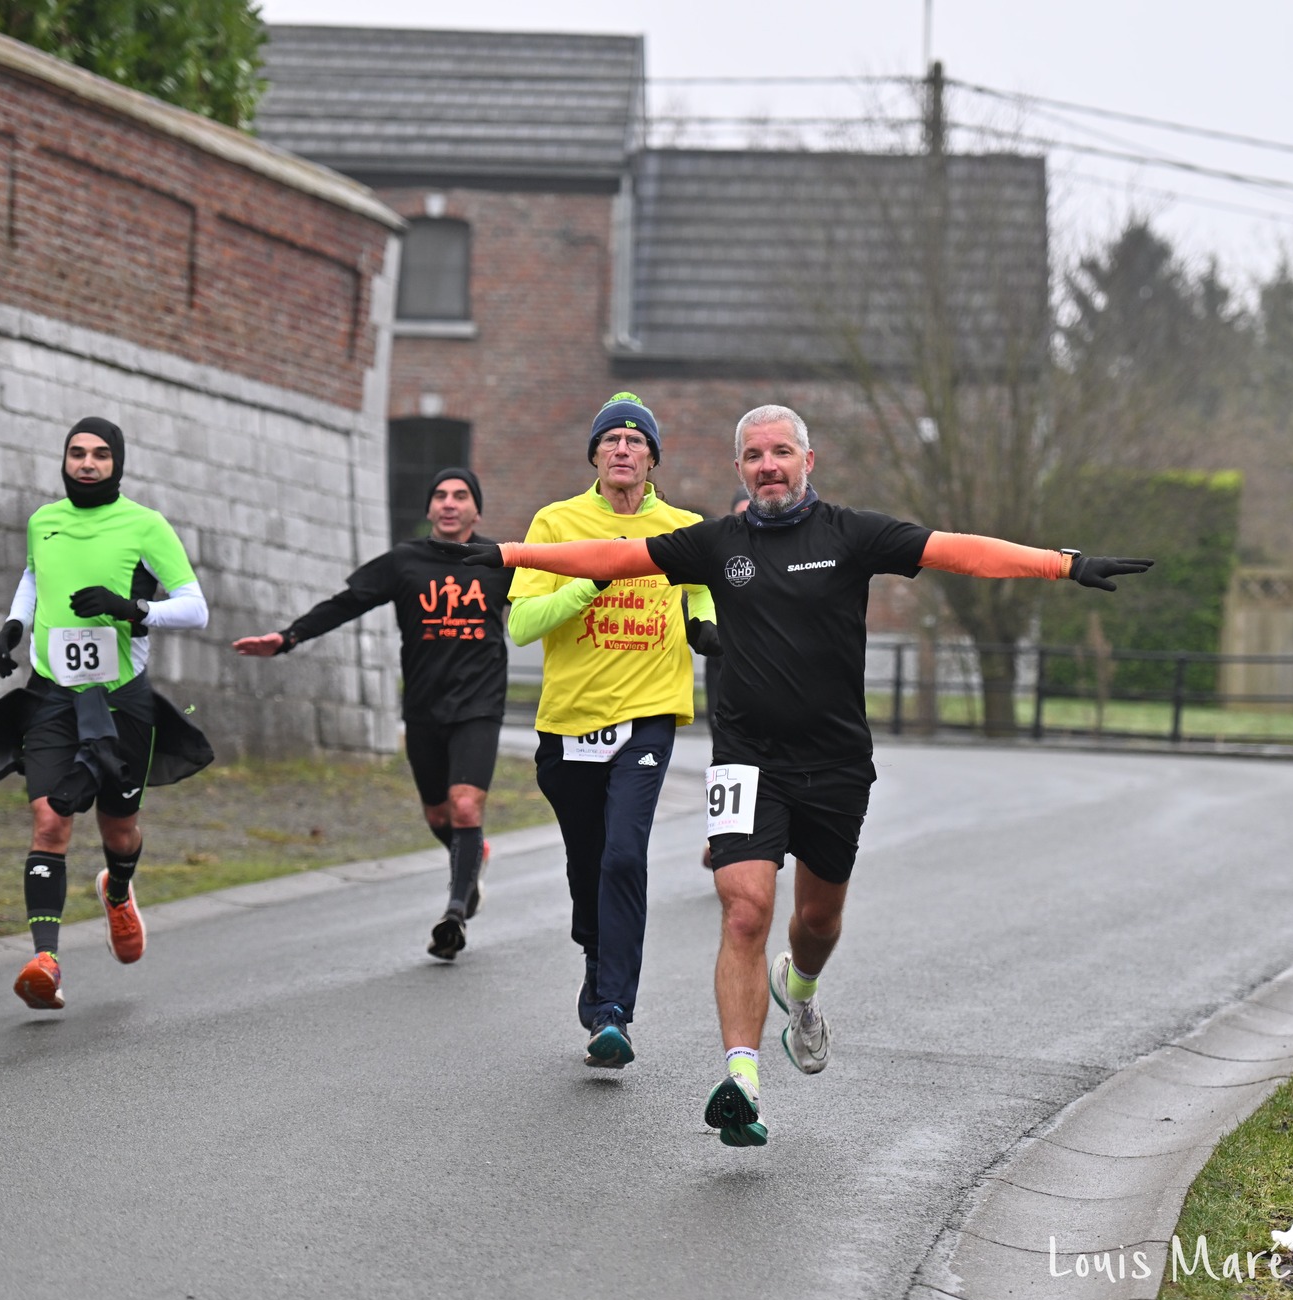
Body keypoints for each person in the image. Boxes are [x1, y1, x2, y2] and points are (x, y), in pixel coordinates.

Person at [463, 404, 1152, 1143]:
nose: (767, 465)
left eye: (781, 452)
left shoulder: (851, 535)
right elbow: (612, 559)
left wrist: (1064, 563)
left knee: (816, 921)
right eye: (754, 455)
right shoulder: (715, 542)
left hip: (835, 763)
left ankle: (802, 986)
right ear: (739, 469)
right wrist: (507, 556)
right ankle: (741, 1081)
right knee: (743, 910)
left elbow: (959, 551)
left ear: (807, 460)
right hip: (747, 757)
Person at [505, 393, 720, 1069]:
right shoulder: (556, 522)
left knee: (625, 856)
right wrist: (587, 584)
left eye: (635, 440)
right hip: (568, 723)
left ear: (653, 457)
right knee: (587, 864)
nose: (622, 449)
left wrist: (710, 630)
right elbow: (520, 626)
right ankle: (597, 955)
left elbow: (704, 599)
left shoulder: (684, 527)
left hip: (648, 719)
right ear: (594, 454)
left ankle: (613, 1012)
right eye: (611, 440)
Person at [232, 469, 513, 961]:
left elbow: (557, 599)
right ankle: (470, 857)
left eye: (461, 496)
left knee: (466, 805)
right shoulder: (404, 561)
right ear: (429, 510)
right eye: (440, 495)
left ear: (476, 510)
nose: (449, 503)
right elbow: (348, 603)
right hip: (424, 707)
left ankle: (455, 911)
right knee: (437, 813)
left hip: (479, 705)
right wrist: (289, 637)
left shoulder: (499, 562)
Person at [0, 417, 211, 1010]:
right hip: (52, 692)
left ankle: (118, 890)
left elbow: (195, 609)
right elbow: (35, 575)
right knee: (50, 822)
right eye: (77, 453)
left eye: (101, 455)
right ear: (64, 460)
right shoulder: (44, 520)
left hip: (120, 697)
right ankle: (46, 961)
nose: (87, 463)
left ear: (118, 463)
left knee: (118, 827)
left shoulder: (145, 525)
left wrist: (133, 608)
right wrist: (15, 622)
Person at [700, 488, 750, 870]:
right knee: (728, 753)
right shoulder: (722, 555)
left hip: (775, 676)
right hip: (725, 669)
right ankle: (721, 837)